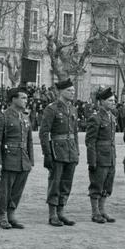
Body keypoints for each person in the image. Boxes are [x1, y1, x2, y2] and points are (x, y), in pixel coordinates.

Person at [0, 87, 34, 229]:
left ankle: (12, 214)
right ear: (13, 99)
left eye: (26, 98)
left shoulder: (25, 117)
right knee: (5, 189)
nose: (25, 101)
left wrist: (30, 161)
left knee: (17, 189)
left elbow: (29, 141)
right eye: (23, 98)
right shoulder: (3, 116)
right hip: (9, 157)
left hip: (23, 158)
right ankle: (2, 215)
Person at [38, 78, 79, 227]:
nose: (72, 93)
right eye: (69, 90)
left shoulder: (73, 109)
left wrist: (77, 153)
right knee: (55, 182)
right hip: (57, 151)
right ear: (61, 92)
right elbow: (44, 132)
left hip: (70, 151)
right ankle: (52, 214)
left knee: (67, 183)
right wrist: (47, 154)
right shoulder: (52, 109)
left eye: (73, 90)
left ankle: (61, 211)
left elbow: (74, 132)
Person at [86, 86, 118, 224]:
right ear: (102, 102)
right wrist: (92, 161)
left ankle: (102, 209)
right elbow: (90, 141)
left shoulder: (112, 117)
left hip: (110, 156)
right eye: (110, 100)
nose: (113, 102)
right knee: (97, 184)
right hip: (100, 157)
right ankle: (95, 212)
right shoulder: (96, 118)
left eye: (113, 100)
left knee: (107, 185)